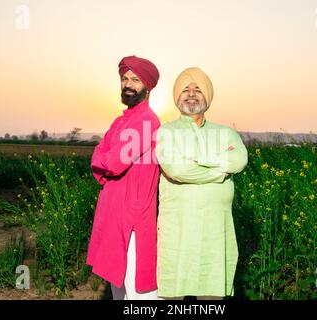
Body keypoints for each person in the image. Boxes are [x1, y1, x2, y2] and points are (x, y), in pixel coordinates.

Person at [155, 67, 248, 300]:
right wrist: (220, 172)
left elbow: (238, 160)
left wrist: (198, 159)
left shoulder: (225, 132)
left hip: (215, 230)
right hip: (179, 228)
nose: (192, 94)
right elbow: (177, 169)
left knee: (213, 294)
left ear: (208, 96)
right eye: (186, 89)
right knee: (174, 294)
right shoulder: (166, 132)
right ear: (177, 97)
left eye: (198, 89)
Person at [86, 55, 161, 300]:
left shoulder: (147, 121)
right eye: (124, 78)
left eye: (136, 79)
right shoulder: (120, 121)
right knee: (118, 287)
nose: (128, 84)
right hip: (112, 211)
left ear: (147, 86)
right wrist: (103, 157)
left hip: (133, 216)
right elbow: (99, 154)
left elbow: (113, 162)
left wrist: (103, 158)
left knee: (138, 291)